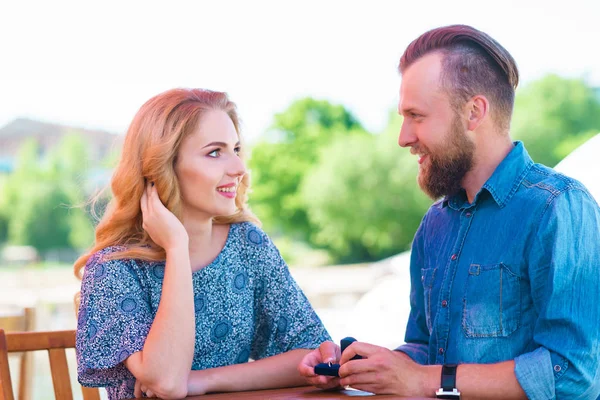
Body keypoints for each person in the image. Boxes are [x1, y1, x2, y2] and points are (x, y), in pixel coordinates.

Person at [298, 24, 600, 399]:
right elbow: (428, 350)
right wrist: (364, 367)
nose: (403, 137)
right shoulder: (434, 224)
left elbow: (573, 372)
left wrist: (424, 381)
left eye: (416, 116)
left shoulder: (560, 207)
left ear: (474, 113)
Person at [74, 88, 331, 399]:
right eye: (214, 152)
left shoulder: (248, 245)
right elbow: (167, 383)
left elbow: (315, 357)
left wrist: (202, 380)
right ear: (162, 166)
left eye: (235, 149)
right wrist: (176, 248)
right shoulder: (113, 268)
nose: (238, 168)